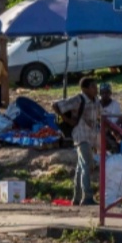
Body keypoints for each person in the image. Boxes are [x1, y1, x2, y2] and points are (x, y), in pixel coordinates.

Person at [52, 76, 101, 206]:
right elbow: (55, 105)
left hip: (90, 137)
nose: (96, 89)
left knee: (81, 166)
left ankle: (77, 198)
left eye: (96, 86)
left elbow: (99, 117)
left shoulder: (96, 101)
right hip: (80, 135)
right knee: (86, 165)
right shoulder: (78, 100)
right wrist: (67, 120)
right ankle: (87, 197)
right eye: (93, 87)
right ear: (85, 89)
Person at [98, 82, 122, 152]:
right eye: (103, 93)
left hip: (110, 131)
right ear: (100, 94)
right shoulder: (96, 105)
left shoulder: (115, 105)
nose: (105, 95)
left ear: (110, 93)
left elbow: (113, 124)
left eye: (107, 93)